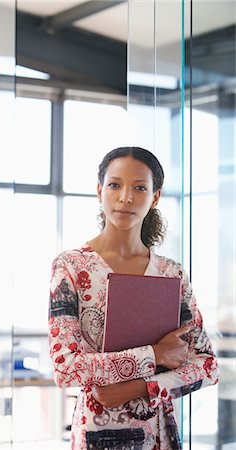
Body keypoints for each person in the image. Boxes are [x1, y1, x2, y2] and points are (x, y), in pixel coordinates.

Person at [48, 146, 219, 450]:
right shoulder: (72, 267)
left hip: (161, 434)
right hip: (97, 434)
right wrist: (156, 354)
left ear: (155, 197)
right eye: (115, 185)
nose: (125, 197)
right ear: (100, 190)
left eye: (139, 187)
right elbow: (66, 367)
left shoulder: (170, 273)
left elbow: (206, 367)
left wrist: (140, 387)